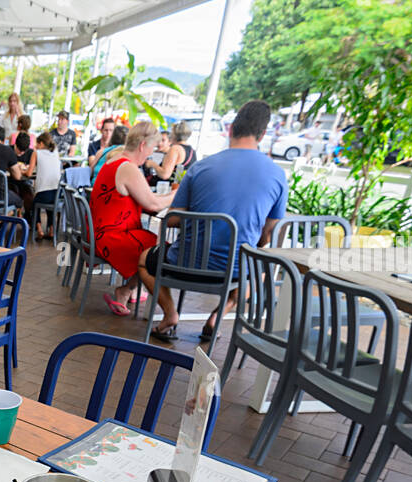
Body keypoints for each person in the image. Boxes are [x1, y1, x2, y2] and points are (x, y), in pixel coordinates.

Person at [136, 99, 287, 343]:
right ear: (263, 133)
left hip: (183, 263)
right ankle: (219, 314)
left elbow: (173, 218)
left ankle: (169, 315)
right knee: (258, 271)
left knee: (144, 260)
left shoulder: (201, 167)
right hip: (235, 272)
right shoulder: (277, 174)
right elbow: (267, 235)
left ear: (230, 129)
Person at [89, 121, 174, 316]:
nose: (151, 154)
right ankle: (130, 292)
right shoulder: (128, 168)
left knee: (154, 244)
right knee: (160, 250)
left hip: (101, 231)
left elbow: (147, 200)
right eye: (152, 148)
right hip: (110, 236)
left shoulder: (115, 159)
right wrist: (177, 195)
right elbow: (152, 204)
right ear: (143, 145)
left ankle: (128, 290)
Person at [32, 131, 62, 240]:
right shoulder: (55, 152)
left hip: (44, 194)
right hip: (57, 194)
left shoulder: (36, 153)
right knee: (49, 201)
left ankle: (39, 229)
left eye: (37, 144)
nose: (36, 146)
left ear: (41, 144)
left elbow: (29, 173)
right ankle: (51, 229)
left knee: (33, 202)